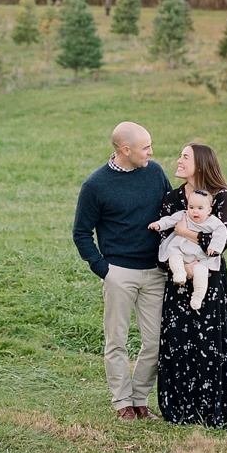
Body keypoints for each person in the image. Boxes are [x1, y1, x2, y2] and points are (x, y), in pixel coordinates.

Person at [156, 143, 227, 433]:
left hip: (210, 281)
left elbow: (219, 243)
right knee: (178, 341)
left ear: (200, 164)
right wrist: (185, 266)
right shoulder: (172, 198)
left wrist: (184, 231)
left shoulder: (222, 197)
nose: (178, 161)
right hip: (177, 278)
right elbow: (161, 243)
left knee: (210, 341)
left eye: (185, 157)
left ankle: (212, 406)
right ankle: (180, 407)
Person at [72, 122, 172, 422]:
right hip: (119, 273)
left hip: (155, 272)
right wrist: (105, 270)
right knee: (116, 341)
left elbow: (170, 214)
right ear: (125, 150)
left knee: (155, 342)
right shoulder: (95, 185)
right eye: (145, 148)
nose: (151, 152)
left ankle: (140, 399)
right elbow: (81, 233)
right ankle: (122, 404)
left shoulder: (154, 173)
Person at [149, 189, 227, 310]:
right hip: (182, 248)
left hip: (200, 256)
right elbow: (169, 220)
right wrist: (159, 225)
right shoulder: (184, 215)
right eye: (191, 207)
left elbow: (221, 234)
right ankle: (179, 272)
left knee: (201, 272)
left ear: (209, 210)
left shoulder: (213, 222)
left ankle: (198, 296)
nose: (194, 211)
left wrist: (214, 247)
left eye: (200, 208)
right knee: (174, 255)